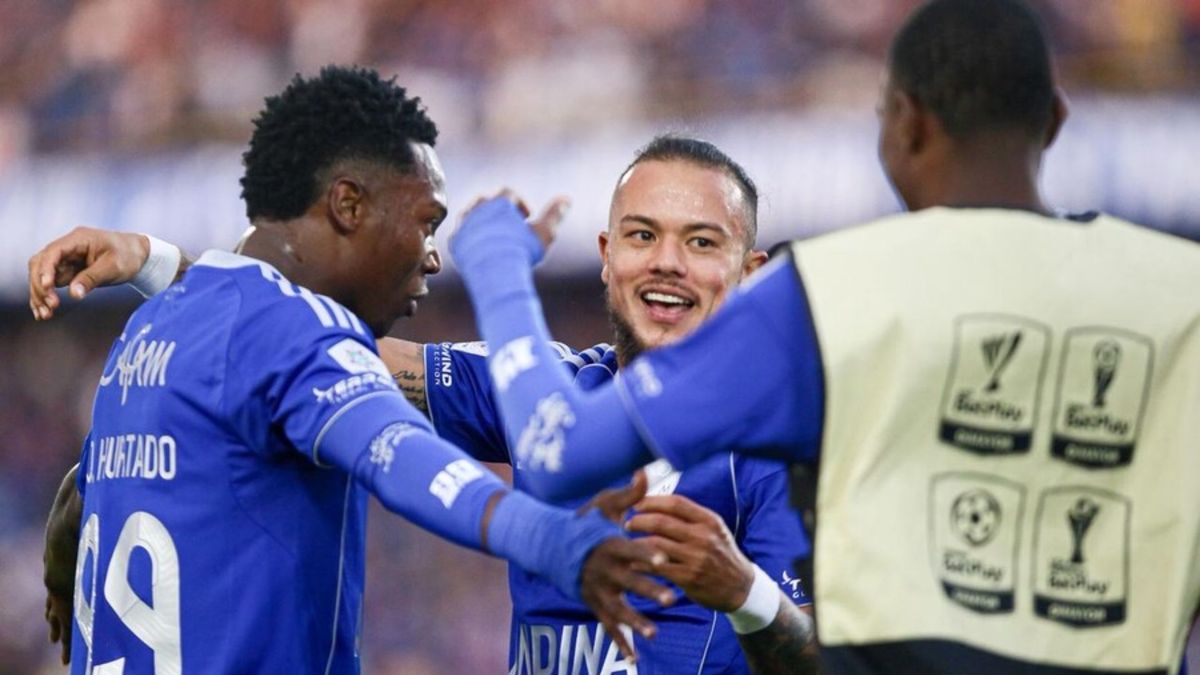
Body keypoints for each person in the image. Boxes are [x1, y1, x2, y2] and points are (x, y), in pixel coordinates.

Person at [444, 1, 1200, 673]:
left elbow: (556, 452)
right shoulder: (1182, 293)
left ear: (901, 125)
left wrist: (497, 260)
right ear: (1057, 120)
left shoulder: (825, 293)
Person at [30, 137, 818, 674]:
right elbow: (302, 347)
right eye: (643, 235)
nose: (668, 264)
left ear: (749, 270)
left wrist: (744, 590)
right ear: (608, 258)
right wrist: (158, 263)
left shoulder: (790, 450)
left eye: (702, 242)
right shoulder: (537, 389)